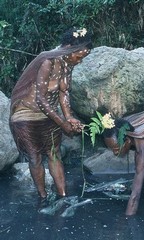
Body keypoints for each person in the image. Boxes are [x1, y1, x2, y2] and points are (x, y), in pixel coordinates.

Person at [9, 27, 92, 202]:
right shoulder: (48, 61)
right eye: (79, 57)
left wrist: (69, 117)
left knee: (54, 154)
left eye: (83, 58)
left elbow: (63, 94)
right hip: (26, 115)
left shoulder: (68, 64)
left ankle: (63, 196)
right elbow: (40, 99)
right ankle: (43, 197)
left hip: (49, 114)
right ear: (69, 48)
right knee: (35, 157)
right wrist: (62, 123)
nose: (80, 61)